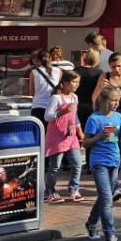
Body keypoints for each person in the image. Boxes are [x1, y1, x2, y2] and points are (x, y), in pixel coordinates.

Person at [82, 85, 121, 241]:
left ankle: (91, 223)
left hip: (114, 161)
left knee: (104, 197)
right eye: (113, 100)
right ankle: (110, 236)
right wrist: (99, 136)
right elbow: (85, 143)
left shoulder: (118, 117)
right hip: (99, 162)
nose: (116, 103)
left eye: (118, 100)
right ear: (103, 100)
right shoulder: (94, 119)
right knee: (107, 199)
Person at [43, 70, 84, 203]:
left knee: (77, 163)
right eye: (74, 81)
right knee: (55, 166)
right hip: (57, 136)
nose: (76, 84)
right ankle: (49, 191)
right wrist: (63, 112)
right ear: (65, 82)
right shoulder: (56, 98)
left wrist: (80, 132)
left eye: (78, 82)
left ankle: (73, 188)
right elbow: (47, 116)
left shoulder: (75, 97)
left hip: (70, 136)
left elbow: (75, 117)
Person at [28, 48, 61, 124]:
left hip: (38, 106)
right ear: (50, 58)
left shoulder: (34, 72)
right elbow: (60, 89)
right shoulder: (58, 71)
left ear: (39, 59)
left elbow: (32, 92)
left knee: (39, 132)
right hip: (54, 106)